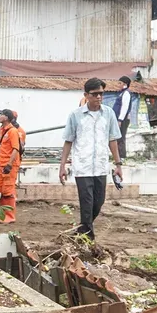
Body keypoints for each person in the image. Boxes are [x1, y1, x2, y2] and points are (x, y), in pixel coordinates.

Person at [59, 77, 123, 241]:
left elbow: (113, 139)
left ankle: (81, 232)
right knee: (87, 203)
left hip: (101, 166)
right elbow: (68, 141)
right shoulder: (75, 116)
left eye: (101, 94)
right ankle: (89, 239)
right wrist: (62, 165)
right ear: (86, 95)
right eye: (95, 94)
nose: (99, 97)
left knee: (99, 202)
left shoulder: (108, 114)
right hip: (83, 167)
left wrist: (118, 164)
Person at [0, 109, 23, 224]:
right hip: (2, 164)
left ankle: (10, 216)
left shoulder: (12, 131)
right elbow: (2, 149)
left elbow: (16, 149)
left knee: (7, 191)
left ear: (7, 118)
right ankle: (3, 214)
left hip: (9, 166)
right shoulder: (2, 131)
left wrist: (9, 164)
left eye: (2, 115)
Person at [113, 76, 135, 160]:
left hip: (123, 119)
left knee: (121, 137)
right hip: (119, 118)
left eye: (120, 83)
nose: (118, 85)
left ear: (125, 84)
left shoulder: (126, 93)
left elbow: (124, 107)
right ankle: (118, 155)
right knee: (117, 137)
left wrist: (120, 119)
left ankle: (122, 156)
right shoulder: (121, 93)